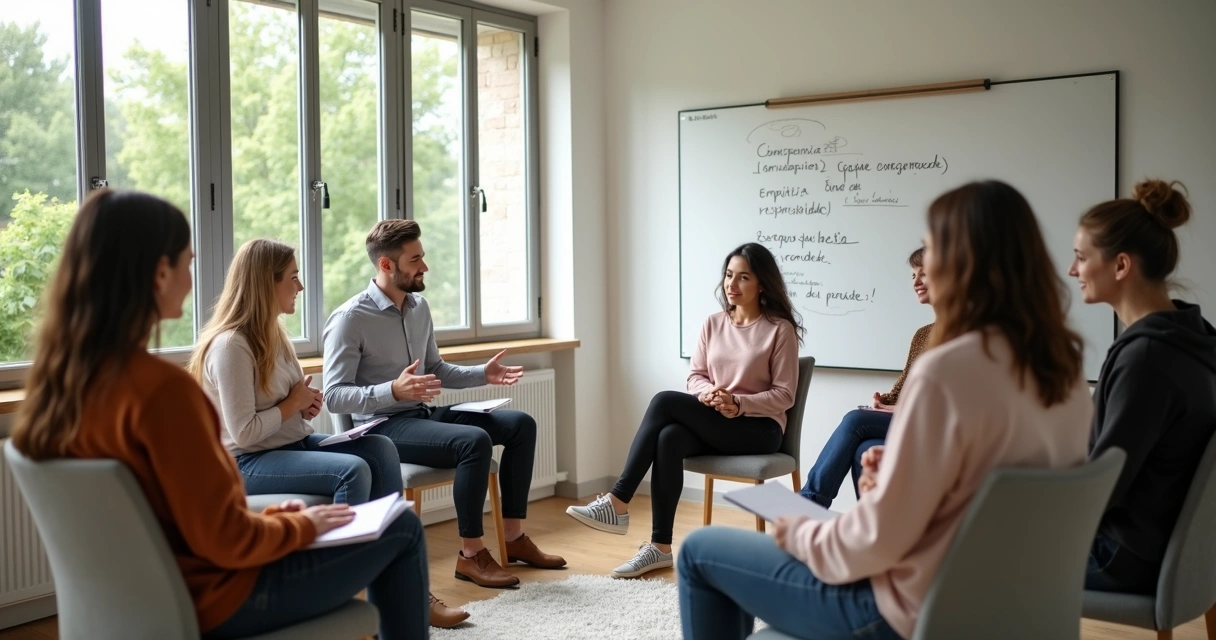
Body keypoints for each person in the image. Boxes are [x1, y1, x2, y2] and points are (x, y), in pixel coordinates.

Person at [677, 181, 1093, 640]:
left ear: (961, 261)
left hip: (907, 611)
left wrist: (795, 530)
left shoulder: (949, 371)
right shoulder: (1065, 371)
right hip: (1007, 604)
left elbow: (867, 548)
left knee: (699, 551)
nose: (923, 266)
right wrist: (892, 481)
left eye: (931, 249)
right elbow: (978, 496)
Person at [10, 189, 429, 640]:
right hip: (219, 598)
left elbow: (176, 516)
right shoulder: (160, 393)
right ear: (158, 273)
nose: (192, 281)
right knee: (401, 525)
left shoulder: (58, 391)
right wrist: (298, 525)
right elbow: (224, 540)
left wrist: (274, 519)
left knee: (375, 468)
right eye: (188, 264)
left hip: (142, 603)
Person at [187, 238, 467, 629]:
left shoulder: (273, 333)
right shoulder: (231, 345)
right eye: (293, 277)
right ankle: (341, 585)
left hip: (287, 443)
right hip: (245, 461)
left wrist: (304, 405)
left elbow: (282, 405)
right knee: (350, 470)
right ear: (266, 284)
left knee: (378, 448)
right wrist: (291, 404)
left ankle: (396, 584)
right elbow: (246, 433)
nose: (300, 286)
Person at [323, 219, 566, 592]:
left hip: (417, 416)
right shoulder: (350, 319)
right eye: (415, 259)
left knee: (520, 424)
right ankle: (471, 556)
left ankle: (514, 538)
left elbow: (435, 369)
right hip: (381, 428)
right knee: (472, 441)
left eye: (423, 257)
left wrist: (484, 373)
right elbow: (335, 395)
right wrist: (394, 390)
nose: (425, 267)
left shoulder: (419, 307)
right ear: (387, 265)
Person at [566, 242, 803, 578]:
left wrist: (739, 403)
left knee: (664, 401)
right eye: (728, 275)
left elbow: (784, 395)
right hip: (719, 421)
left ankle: (618, 502)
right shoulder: (713, 323)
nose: (731, 285)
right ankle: (660, 547)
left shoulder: (780, 330)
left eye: (743, 278)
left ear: (762, 283)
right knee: (670, 437)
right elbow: (696, 376)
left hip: (760, 430)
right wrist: (708, 395)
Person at [1069, 179, 1216, 595]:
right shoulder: (1191, 341)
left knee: (957, 545)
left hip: (1117, 556)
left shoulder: (1147, 358)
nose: (1072, 270)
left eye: (1081, 257)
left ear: (1120, 266)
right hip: (1149, 546)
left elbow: (1102, 487)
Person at [799, 246, 934, 507]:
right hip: (908, 418)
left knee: (855, 420)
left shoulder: (963, 335)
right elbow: (903, 388)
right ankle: (872, 530)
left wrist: (898, 408)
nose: (916, 282)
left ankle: (808, 506)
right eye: (913, 275)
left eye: (924, 274)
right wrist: (884, 400)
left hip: (931, 424)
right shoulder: (923, 334)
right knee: (865, 450)